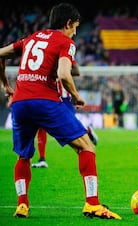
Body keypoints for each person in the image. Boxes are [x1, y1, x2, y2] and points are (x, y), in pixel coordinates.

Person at [0, 3, 121, 219]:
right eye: (75, 27)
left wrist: (6, 87)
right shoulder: (66, 41)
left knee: (23, 155)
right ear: (68, 24)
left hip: (20, 102)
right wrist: (76, 96)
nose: (75, 32)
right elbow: (64, 74)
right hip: (45, 101)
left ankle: (22, 205)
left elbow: (0, 54)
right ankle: (92, 204)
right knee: (86, 146)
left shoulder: (32, 38)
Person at [31, 78, 99, 168]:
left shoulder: (62, 65)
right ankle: (42, 159)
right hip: (55, 98)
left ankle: (87, 132)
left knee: (70, 130)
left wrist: (75, 95)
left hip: (62, 99)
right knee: (42, 126)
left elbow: (73, 72)